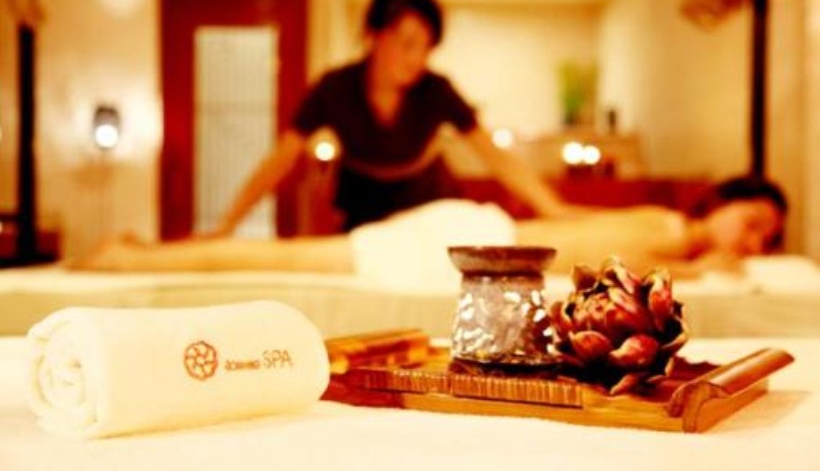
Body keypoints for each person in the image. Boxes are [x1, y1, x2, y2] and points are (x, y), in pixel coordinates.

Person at [206, 0, 569, 236]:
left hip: (430, 204)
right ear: (374, 35)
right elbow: (280, 159)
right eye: (408, 43)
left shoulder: (436, 90)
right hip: (363, 209)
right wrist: (227, 224)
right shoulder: (335, 88)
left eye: (426, 47)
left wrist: (552, 208)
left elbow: (494, 155)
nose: (417, 59)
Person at [76, 176, 788, 281]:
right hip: (474, 243)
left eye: (764, 240)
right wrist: (698, 270)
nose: (749, 242)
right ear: (724, 200)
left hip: (480, 238)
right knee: (286, 257)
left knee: (288, 255)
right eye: (751, 222)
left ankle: (143, 253)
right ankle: (128, 260)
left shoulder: (673, 232)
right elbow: (610, 261)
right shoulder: (671, 226)